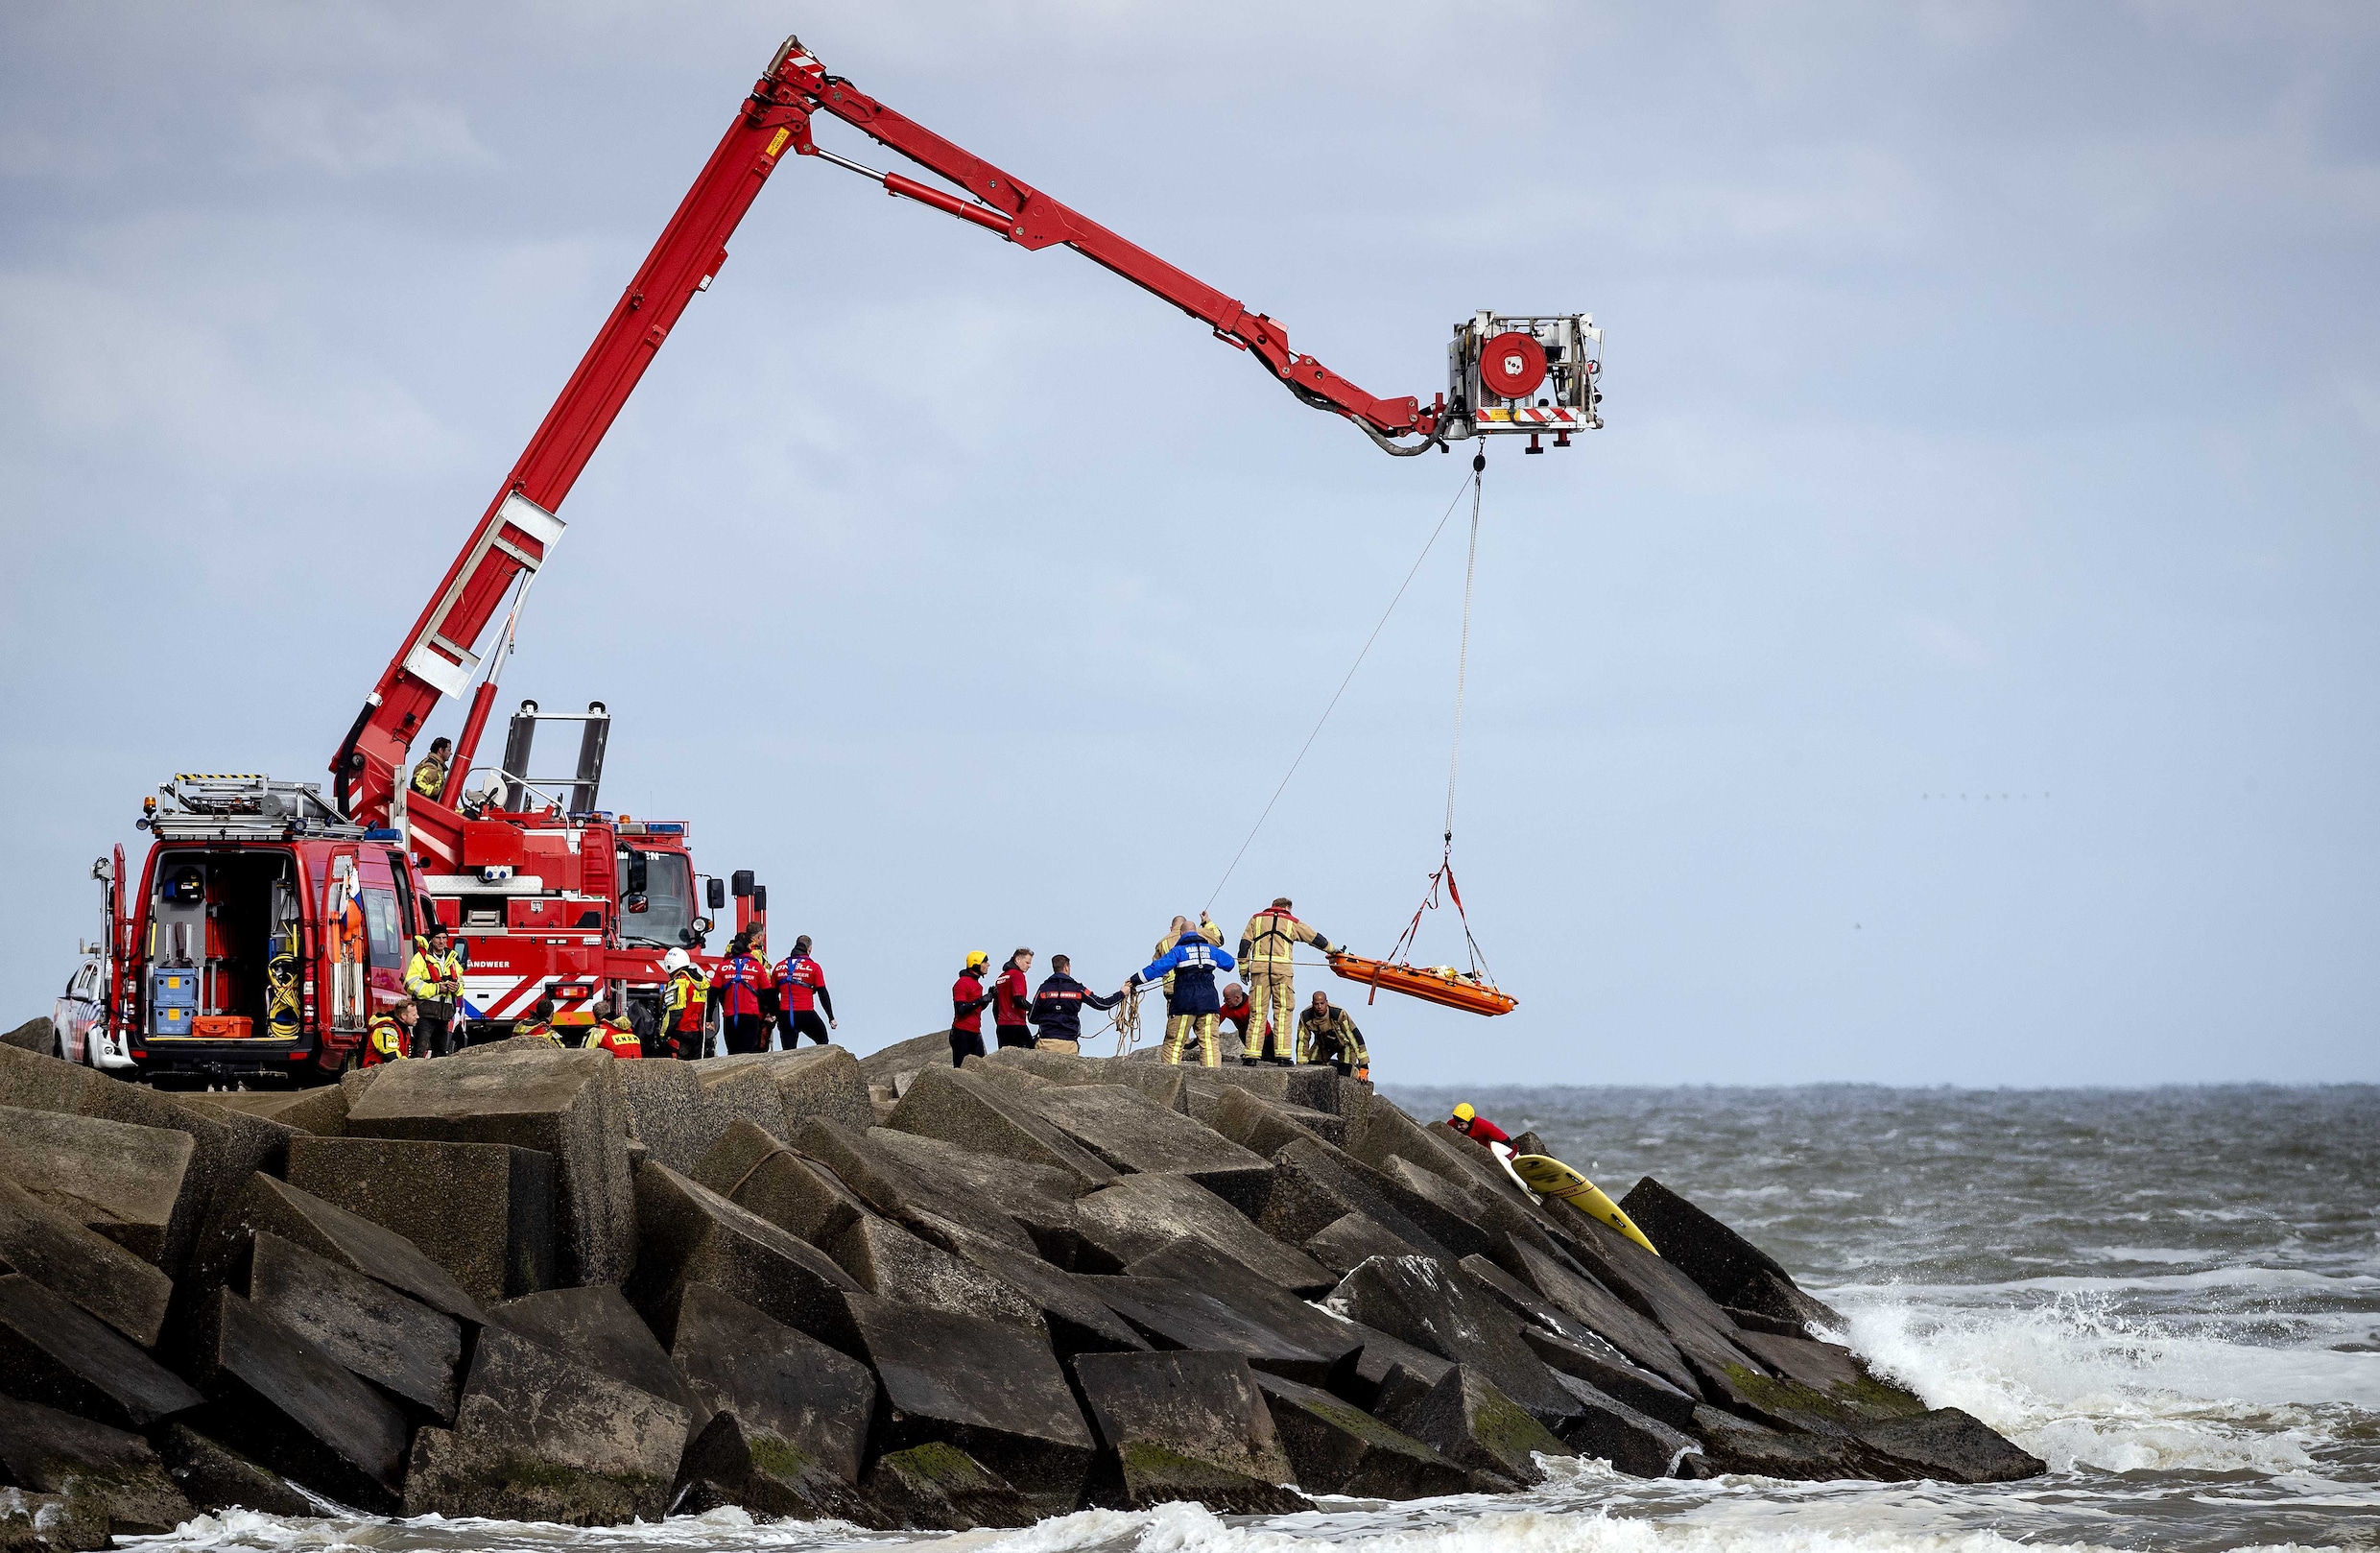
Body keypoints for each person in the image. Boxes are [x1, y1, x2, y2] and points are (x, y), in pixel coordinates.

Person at [1237, 897, 1340, 1064]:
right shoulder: (1291, 921)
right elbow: (1314, 937)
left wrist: (1243, 969)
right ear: (1287, 907)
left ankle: (1251, 1055)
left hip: (1259, 972)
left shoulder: (1256, 919)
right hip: (1282, 973)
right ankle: (1283, 1056)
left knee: (1257, 1013)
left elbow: (1244, 945)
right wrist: (1333, 950)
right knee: (1283, 1012)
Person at [1128, 934, 1237, 1067]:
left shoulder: (1178, 951)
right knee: (1209, 1043)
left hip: (1184, 1003)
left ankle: (1172, 1078)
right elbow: (1230, 963)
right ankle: (1212, 1078)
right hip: (1209, 1003)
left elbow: (1157, 968)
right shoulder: (1211, 950)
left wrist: (1134, 980)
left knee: (1175, 1043)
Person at [1028, 955, 1122, 1053]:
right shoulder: (1078, 989)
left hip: (1046, 1042)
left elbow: (1031, 1017)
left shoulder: (1043, 989)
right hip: (1069, 1044)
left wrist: (1049, 1018)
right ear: (1066, 967)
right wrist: (1122, 994)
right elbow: (1102, 1004)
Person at [403, 927, 464, 1058]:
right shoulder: (420, 958)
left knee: (441, 1054)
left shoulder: (452, 959)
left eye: (444, 938)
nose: (442, 941)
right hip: (425, 1014)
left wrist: (456, 987)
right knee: (419, 1051)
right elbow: (411, 984)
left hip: (444, 1015)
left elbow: (461, 983)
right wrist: (437, 988)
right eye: (438, 938)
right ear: (432, 939)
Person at [713, 936, 774, 1055]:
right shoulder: (756, 966)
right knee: (747, 1054)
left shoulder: (723, 966)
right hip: (750, 1016)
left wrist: (709, 1018)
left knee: (732, 1053)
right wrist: (772, 1012)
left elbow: (713, 992)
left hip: (730, 1016)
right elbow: (768, 991)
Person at [774, 935, 836, 1047]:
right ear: (810, 949)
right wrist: (831, 1017)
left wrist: (777, 1015)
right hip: (806, 1014)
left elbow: (772, 995)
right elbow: (823, 993)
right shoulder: (814, 967)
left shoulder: (779, 966)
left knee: (788, 1053)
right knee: (823, 1041)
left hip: (785, 1015)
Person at [1297, 991, 1368, 1078]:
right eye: (1316, 1004)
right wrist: (1301, 1064)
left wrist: (1364, 1064)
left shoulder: (1338, 1013)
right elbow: (1302, 1040)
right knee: (1312, 1068)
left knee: (1345, 1071)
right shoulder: (1306, 1016)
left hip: (1344, 1044)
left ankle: (1354, 1070)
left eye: (1322, 1003)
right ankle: (1331, 1064)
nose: (1319, 1007)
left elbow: (1353, 1036)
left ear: (1327, 1002)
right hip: (1323, 1044)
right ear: (1313, 1004)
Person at [662, 947, 710, 1060]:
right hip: (698, 1033)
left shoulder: (679, 983)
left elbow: (675, 1012)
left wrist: (663, 1034)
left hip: (681, 1033)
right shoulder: (700, 982)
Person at [950, 951, 995, 1066]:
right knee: (961, 1069)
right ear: (976, 964)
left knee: (980, 1069)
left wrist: (989, 998)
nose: (988, 965)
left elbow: (976, 1009)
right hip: (962, 1032)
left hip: (975, 1032)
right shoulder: (962, 983)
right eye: (985, 962)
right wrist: (981, 1000)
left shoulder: (977, 985)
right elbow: (960, 1009)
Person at [990, 948, 1036, 1051]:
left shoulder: (1000, 978)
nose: (1029, 966)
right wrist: (1035, 1009)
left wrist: (999, 1022)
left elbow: (995, 1006)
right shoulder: (1017, 975)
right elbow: (1018, 999)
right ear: (1018, 960)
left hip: (1002, 1026)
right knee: (1030, 1055)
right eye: (1027, 962)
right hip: (1016, 1024)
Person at [363, 998, 417, 1065]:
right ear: (403, 1016)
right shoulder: (387, 1028)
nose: (417, 1017)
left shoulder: (403, 1028)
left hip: (390, 1070)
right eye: (414, 1015)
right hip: (375, 1072)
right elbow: (391, 1055)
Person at [1217, 982, 1257, 1063]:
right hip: (1244, 1036)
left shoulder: (1252, 1004)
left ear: (1237, 997)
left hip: (1264, 1036)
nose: (1224, 1001)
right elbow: (1213, 1025)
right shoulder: (1227, 1008)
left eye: (1227, 999)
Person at [1446, 1101, 1511, 1147]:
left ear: (1470, 1121)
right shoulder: (1451, 1124)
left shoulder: (1483, 1125)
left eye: (1461, 1124)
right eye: (1456, 1123)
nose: (1458, 1126)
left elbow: (1505, 1140)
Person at [410, 736, 454, 801]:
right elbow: (417, 784)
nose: (451, 753)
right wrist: (438, 793)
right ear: (440, 750)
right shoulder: (432, 765)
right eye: (449, 750)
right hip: (426, 806)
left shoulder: (438, 766)